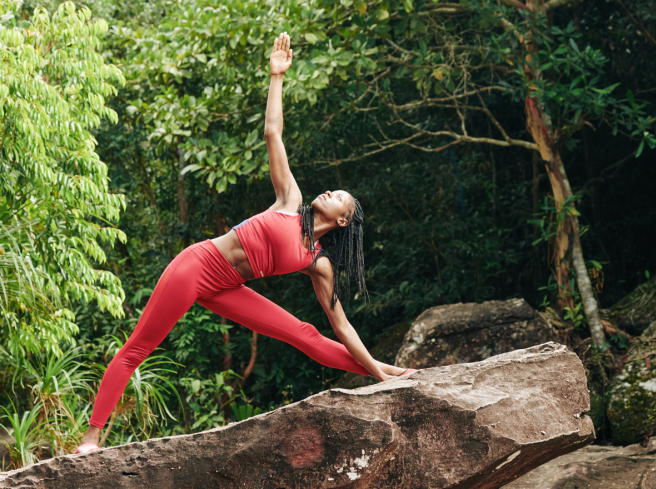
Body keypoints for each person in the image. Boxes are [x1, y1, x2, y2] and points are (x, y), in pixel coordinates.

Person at [75, 32, 414, 454]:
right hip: (197, 266)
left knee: (305, 335)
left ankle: (391, 374)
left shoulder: (320, 263)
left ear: (344, 220)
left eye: (338, 197)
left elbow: (341, 327)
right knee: (138, 347)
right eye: (330, 189)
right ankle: (90, 439)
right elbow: (273, 132)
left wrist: (377, 370)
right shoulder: (290, 200)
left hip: (227, 289)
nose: (328, 192)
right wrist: (277, 77)